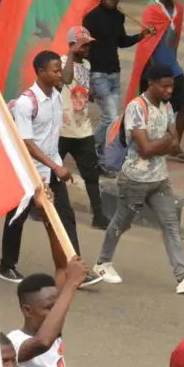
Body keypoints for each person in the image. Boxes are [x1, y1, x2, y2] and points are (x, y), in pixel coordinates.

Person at [91, 63, 184, 294]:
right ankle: (102, 263)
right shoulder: (136, 108)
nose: (169, 91)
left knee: (171, 225)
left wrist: (160, 144)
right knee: (121, 222)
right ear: (151, 84)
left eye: (172, 86)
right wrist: (163, 143)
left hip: (160, 179)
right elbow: (146, 148)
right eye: (165, 86)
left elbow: (174, 143)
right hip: (135, 180)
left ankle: (182, 276)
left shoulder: (166, 107)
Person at [0, 50, 80, 283]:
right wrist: (55, 166)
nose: (59, 75)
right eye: (55, 70)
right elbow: (27, 142)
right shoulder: (26, 103)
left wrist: (72, 53)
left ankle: (74, 264)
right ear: (40, 72)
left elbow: (68, 76)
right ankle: (6, 265)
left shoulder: (55, 94)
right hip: (28, 170)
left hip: (52, 168)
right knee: (17, 217)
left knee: (65, 215)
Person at [83, 0, 149, 157]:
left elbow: (121, 41)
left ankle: (97, 148)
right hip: (98, 74)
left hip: (114, 72)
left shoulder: (119, 16)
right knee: (111, 118)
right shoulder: (90, 19)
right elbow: (85, 51)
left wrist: (141, 36)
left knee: (110, 119)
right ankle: (92, 148)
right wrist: (87, 81)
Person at [138, 0, 184, 161]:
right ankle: (148, 145)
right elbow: (145, 42)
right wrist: (153, 72)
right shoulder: (152, 9)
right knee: (153, 110)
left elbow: (176, 35)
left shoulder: (179, 9)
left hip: (172, 65)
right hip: (156, 67)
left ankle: (173, 144)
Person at [59, 27, 107, 230]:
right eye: (83, 44)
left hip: (83, 128)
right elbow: (67, 79)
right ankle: (38, 209)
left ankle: (98, 216)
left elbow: (83, 86)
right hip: (62, 128)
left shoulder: (87, 64)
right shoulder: (60, 62)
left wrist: (92, 92)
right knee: (51, 170)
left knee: (91, 174)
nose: (88, 47)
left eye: (89, 44)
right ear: (72, 45)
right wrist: (71, 53)